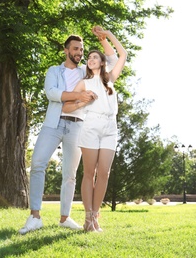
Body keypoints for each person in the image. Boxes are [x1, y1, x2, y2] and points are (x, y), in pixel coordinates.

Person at [19, 27, 118, 235]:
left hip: (78, 125)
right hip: (53, 123)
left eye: (81, 50)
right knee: (37, 164)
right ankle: (35, 216)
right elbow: (52, 93)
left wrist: (103, 38)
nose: (79, 53)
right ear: (66, 50)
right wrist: (78, 97)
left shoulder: (86, 71)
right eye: (75, 49)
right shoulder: (54, 71)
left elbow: (111, 58)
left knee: (70, 174)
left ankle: (65, 217)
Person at [62, 28, 127, 232]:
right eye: (88, 57)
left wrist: (107, 34)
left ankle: (95, 215)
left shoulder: (110, 79)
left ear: (101, 62)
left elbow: (122, 54)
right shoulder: (83, 83)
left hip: (110, 128)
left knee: (104, 173)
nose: (90, 59)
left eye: (94, 57)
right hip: (90, 127)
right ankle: (88, 218)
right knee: (89, 173)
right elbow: (66, 107)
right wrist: (82, 101)